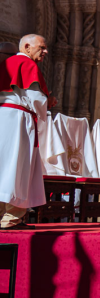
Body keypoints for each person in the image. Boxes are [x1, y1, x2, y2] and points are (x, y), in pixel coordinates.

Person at [0, 35, 53, 229]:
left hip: (2, 116)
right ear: (28, 46)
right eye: (42, 47)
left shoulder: (5, 64)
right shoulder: (26, 64)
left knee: (3, 166)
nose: (45, 51)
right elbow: (36, 99)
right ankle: (12, 218)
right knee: (19, 165)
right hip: (18, 121)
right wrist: (49, 103)